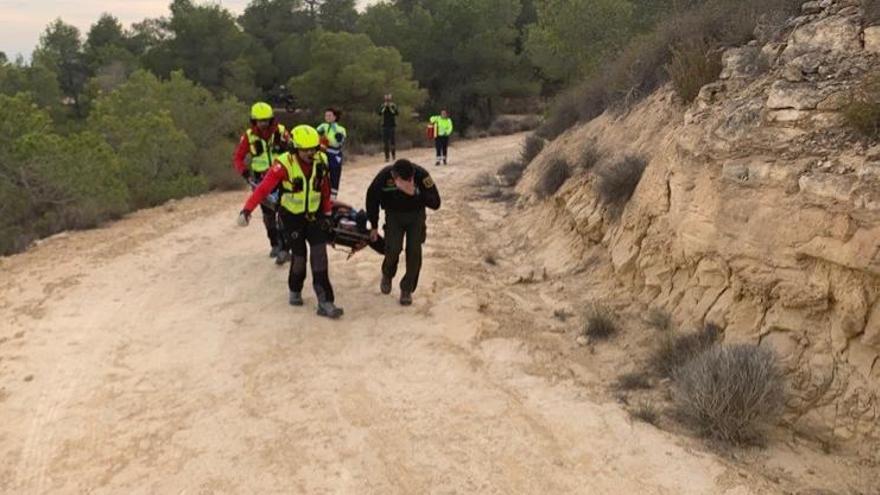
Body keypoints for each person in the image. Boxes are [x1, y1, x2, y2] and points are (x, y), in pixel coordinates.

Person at [237, 125, 344, 319]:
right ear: (295, 148)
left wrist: (327, 212)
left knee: (320, 257)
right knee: (299, 257)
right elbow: (262, 189)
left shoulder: (321, 160)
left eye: (313, 148)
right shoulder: (283, 165)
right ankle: (295, 288)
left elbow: (324, 188)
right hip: (291, 218)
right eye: (305, 149)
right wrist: (247, 210)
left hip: (314, 215)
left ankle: (325, 302)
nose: (310, 152)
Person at [366, 159, 441, 306]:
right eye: (406, 179)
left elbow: (436, 203)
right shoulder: (384, 176)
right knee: (393, 249)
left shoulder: (421, 174)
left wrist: (416, 193)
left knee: (414, 253)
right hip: (394, 215)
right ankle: (387, 274)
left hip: (416, 216)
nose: (410, 180)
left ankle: (407, 288)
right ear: (395, 177)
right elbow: (371, 199)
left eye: (411, 178)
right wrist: (374, 226)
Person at [232, 102, 291, 264]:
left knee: (285, 211)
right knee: (268, 214)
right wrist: (244, 171)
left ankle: (286, 246)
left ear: (271, 119)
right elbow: (238, 157)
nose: (263, 123)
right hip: (260, 178)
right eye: (260, 120)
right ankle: (274, 243)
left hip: (281, 175)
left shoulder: (281, 131)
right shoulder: (249, 136)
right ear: (254, 121)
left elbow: (294, 148)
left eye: (266, 120)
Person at [316, 108, 347, 201]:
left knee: (335, 174)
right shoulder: (322, 126)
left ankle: (333, 195)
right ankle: (319, 192)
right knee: (320, 173)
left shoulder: (340, 129)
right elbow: (315, 134)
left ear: (335, 117)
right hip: (322, 153)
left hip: (334, 154)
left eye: (330, 115)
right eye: (326, 115)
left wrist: (338, 135)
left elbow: (340, 141)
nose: (327, 117)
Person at [378, 94, 399, 162]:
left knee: (392, 142)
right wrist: (385, 107)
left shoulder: (393, 106)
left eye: (388, 100)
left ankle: (393, 155)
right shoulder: (382, 106)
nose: (387, 101)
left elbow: (395, 113)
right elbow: (380, 113)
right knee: (385, 143)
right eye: (386, 100)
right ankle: (387, 157)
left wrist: (390, 107)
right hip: (385, 126)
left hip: (392, 126)